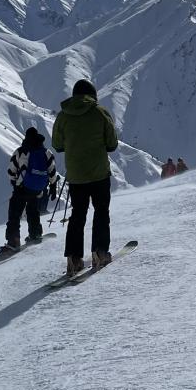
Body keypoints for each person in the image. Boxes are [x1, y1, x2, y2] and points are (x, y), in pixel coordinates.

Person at [52, 78, 119, 277]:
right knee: (101, 211)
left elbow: (57, 145)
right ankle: (99, 252)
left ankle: (74, 258)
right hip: (99, 173)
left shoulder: (63, 116)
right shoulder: (100, 112)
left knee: (77, 216)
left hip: (76, 176)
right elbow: (112, 143)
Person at [1, 126, 57, 256]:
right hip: (37, 189)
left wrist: (15, 182)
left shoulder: (21, 151)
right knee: (33, 210)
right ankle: (35, 234)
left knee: (15, 213)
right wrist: (53, 185)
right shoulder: (46, 152)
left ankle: (13, 241)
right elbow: (52, 171)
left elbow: (11, 171)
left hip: (22, 188)